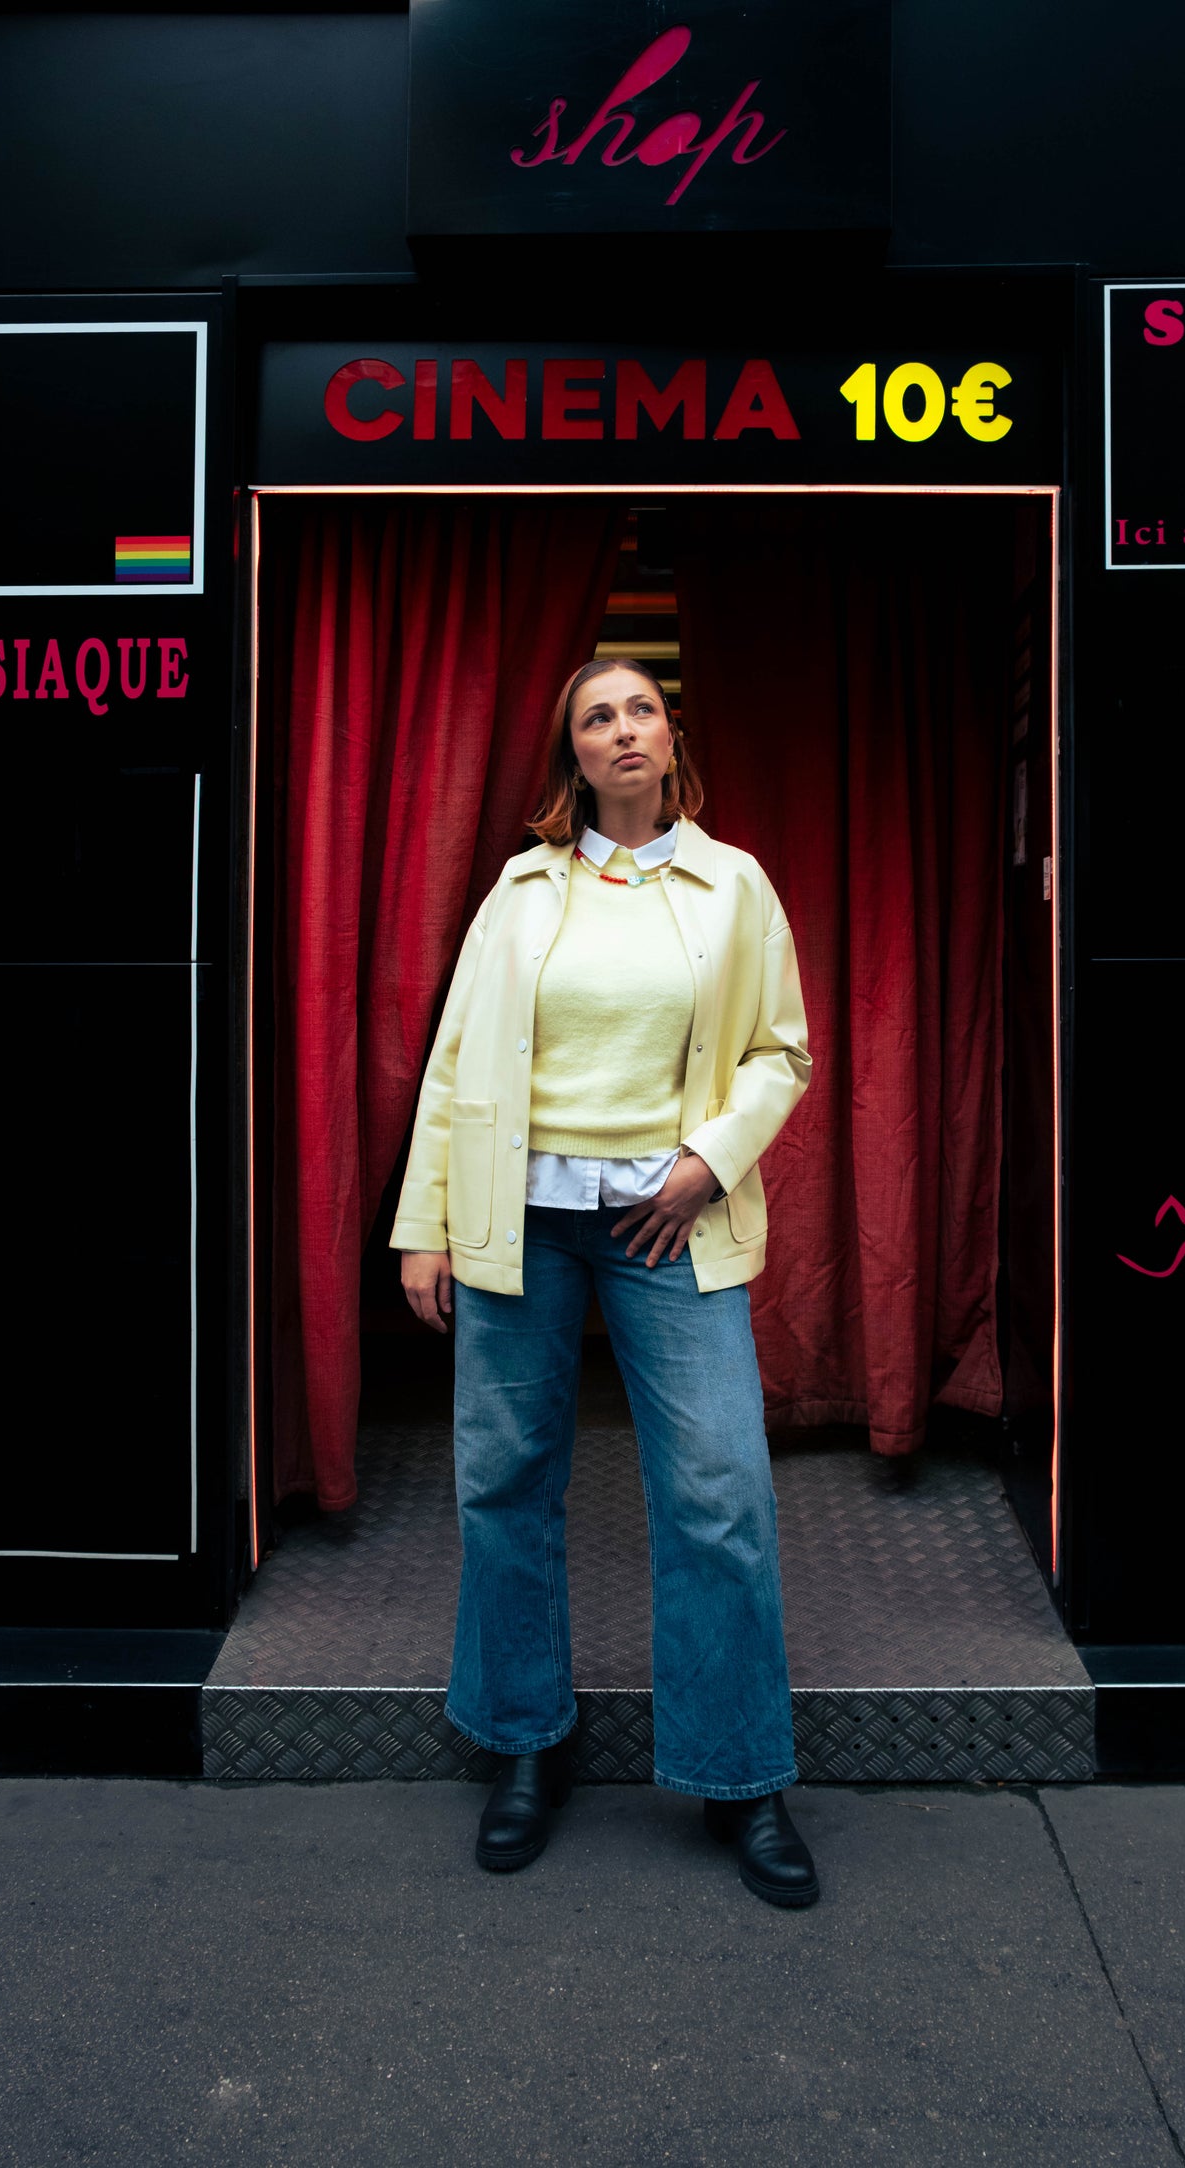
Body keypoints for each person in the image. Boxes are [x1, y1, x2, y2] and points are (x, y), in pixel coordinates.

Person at [392, 656, 818, 1906]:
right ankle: (526, 1744)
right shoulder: (521, 892)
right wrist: (425, 1226)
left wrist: (705, 1163)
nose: (620, 730)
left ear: (668, 735)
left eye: (638, 709)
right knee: (506, 1477)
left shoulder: (731, 882)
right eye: (595, 717)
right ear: (571, 754)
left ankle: (740, 1771)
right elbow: (455, 1061)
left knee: (719, 1491)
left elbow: (779, 1051)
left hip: (666, 1224)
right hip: (518, 1217)